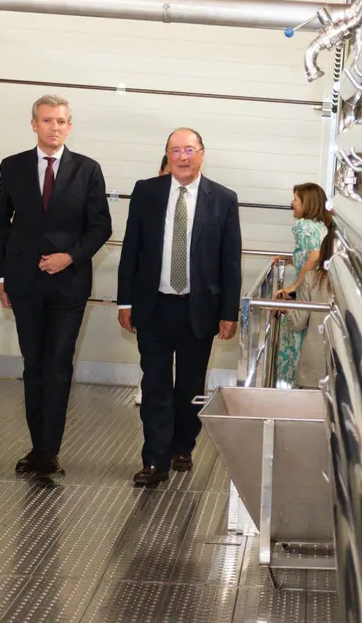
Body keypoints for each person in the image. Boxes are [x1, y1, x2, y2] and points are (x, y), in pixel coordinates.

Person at [0, 95, 112, 479]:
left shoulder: (88, 170)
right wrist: (0, 275)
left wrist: (70, 257)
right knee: (34, 366)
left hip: (68, 286)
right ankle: (36, 446)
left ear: (69, 126)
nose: (54, 127)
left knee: (58, 365)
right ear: (34, 124)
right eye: (47, 121)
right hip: (24, 283)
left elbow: (100, 227)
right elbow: (0, 223)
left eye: (61, 121)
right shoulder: (13, 167)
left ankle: (49, 452)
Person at [117, 127, 242, 487]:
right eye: (175, 150)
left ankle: (183, 444)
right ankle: (154, 460)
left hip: (198, 309)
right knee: (154, 383)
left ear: (202, 153)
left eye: (189, 149)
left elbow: (229, 260)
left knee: (189, 385)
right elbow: (132, 251)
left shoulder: (223, 198)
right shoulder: (147, 192)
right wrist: (125, 301)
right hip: (153, 306)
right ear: (167, 156)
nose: (183, 157)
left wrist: (228, 312)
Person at [272, 183, 330, 385]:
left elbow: (314, 256)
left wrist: (295, 286)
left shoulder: (303, 227)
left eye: (295, 199)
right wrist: (290, 259)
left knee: (295, 345)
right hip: (319, 294)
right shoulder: (321, 227)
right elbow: (311, 254)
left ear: (307, 204)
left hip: (306, 292)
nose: (292, 203)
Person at [135, 153, 172, 406]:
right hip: (152, 299)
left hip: (189, 302)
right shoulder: (146, 195)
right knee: (154, 370)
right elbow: (132, 252)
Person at [286, 229, 335, 388]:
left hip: (313, 367)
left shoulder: (311, 278)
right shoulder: (357, 285)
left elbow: (298, 323)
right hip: (345, 369)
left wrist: (287, 309)